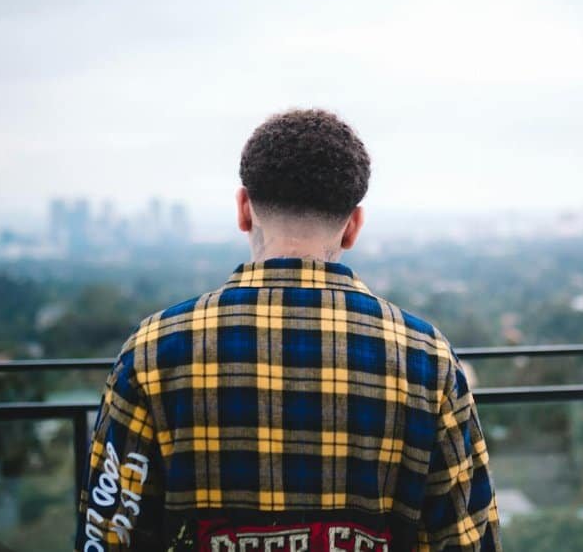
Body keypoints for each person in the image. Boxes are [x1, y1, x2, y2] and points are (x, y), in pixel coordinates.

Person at [76, 109, 500, 552]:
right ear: (353, 225)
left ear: (243, 209)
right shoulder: (426, 360)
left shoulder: (152, 353)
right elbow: (468, 541)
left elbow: (107, 536)